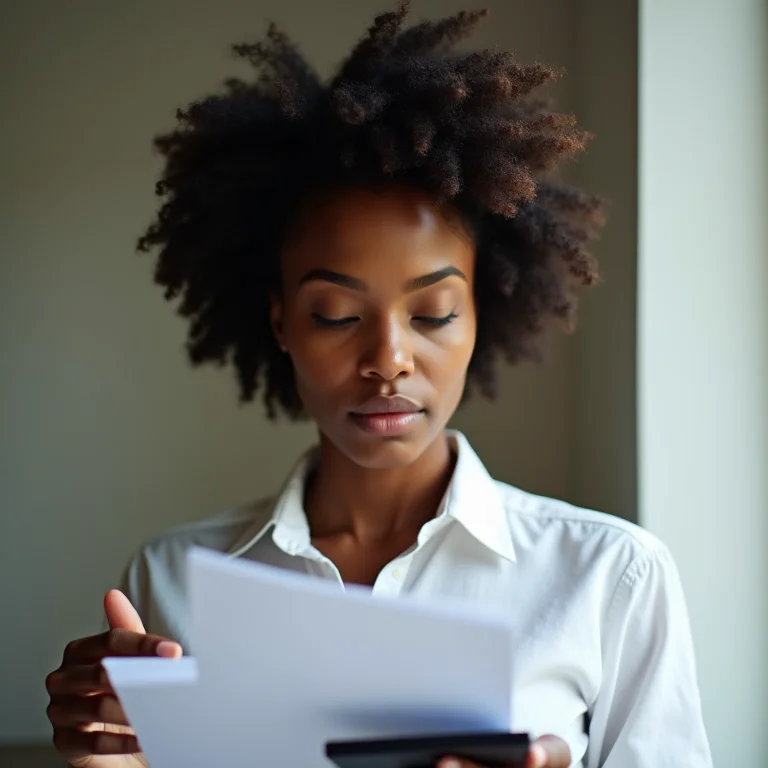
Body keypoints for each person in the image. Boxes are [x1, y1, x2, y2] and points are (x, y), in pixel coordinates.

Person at [44, 3, 712, 767]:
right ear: (280, 325)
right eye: (334, 315)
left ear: (478, 316)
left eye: (432, 313)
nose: (388, 358)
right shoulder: (170, 581)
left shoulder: (609, 577)